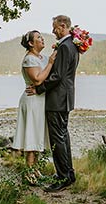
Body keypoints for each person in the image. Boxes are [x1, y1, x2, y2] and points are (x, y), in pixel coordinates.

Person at [29, 15, 79, 192]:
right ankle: (68, 174)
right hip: (64, 98)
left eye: (55, 27)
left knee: (57, 139)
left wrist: (39, 89)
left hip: (57, 99)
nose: (52, 31)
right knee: (63, 137)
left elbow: (57, 76)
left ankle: (63, 177)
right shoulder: (71, 45)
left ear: (63, 26)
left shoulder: (65, 46)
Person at [11, 30, 57, 184]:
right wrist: (50, 63)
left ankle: (35, 171)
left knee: (37, 136)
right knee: (31, 137)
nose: (42, 39)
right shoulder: (29, 60)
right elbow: (37, 80)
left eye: (41, 37)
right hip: (31, 101)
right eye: (38, 37)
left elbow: (49, 76)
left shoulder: (42, 58)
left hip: (40, 100)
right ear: (31, 43)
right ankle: (28, 173)